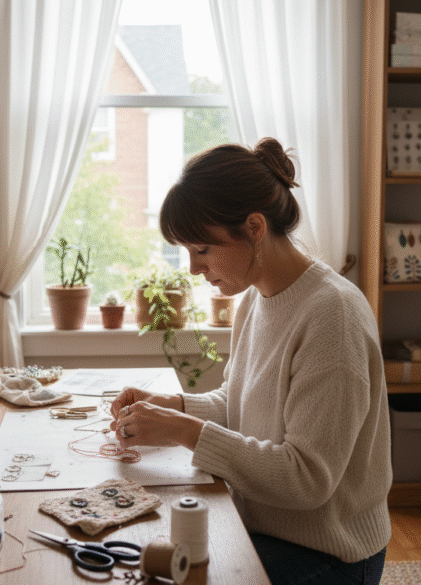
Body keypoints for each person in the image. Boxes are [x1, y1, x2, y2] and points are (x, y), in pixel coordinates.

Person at [109, 138, 392, 585]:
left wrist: (186, 431)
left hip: (328, 555)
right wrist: (175, 407)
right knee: (143, 550)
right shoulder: (258, 299)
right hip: (267, 530)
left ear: (255, 227)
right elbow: (241, 404)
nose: (193, 269)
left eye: (203, 250)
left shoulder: (332, 315)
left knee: (160, 571)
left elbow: (307, 479)